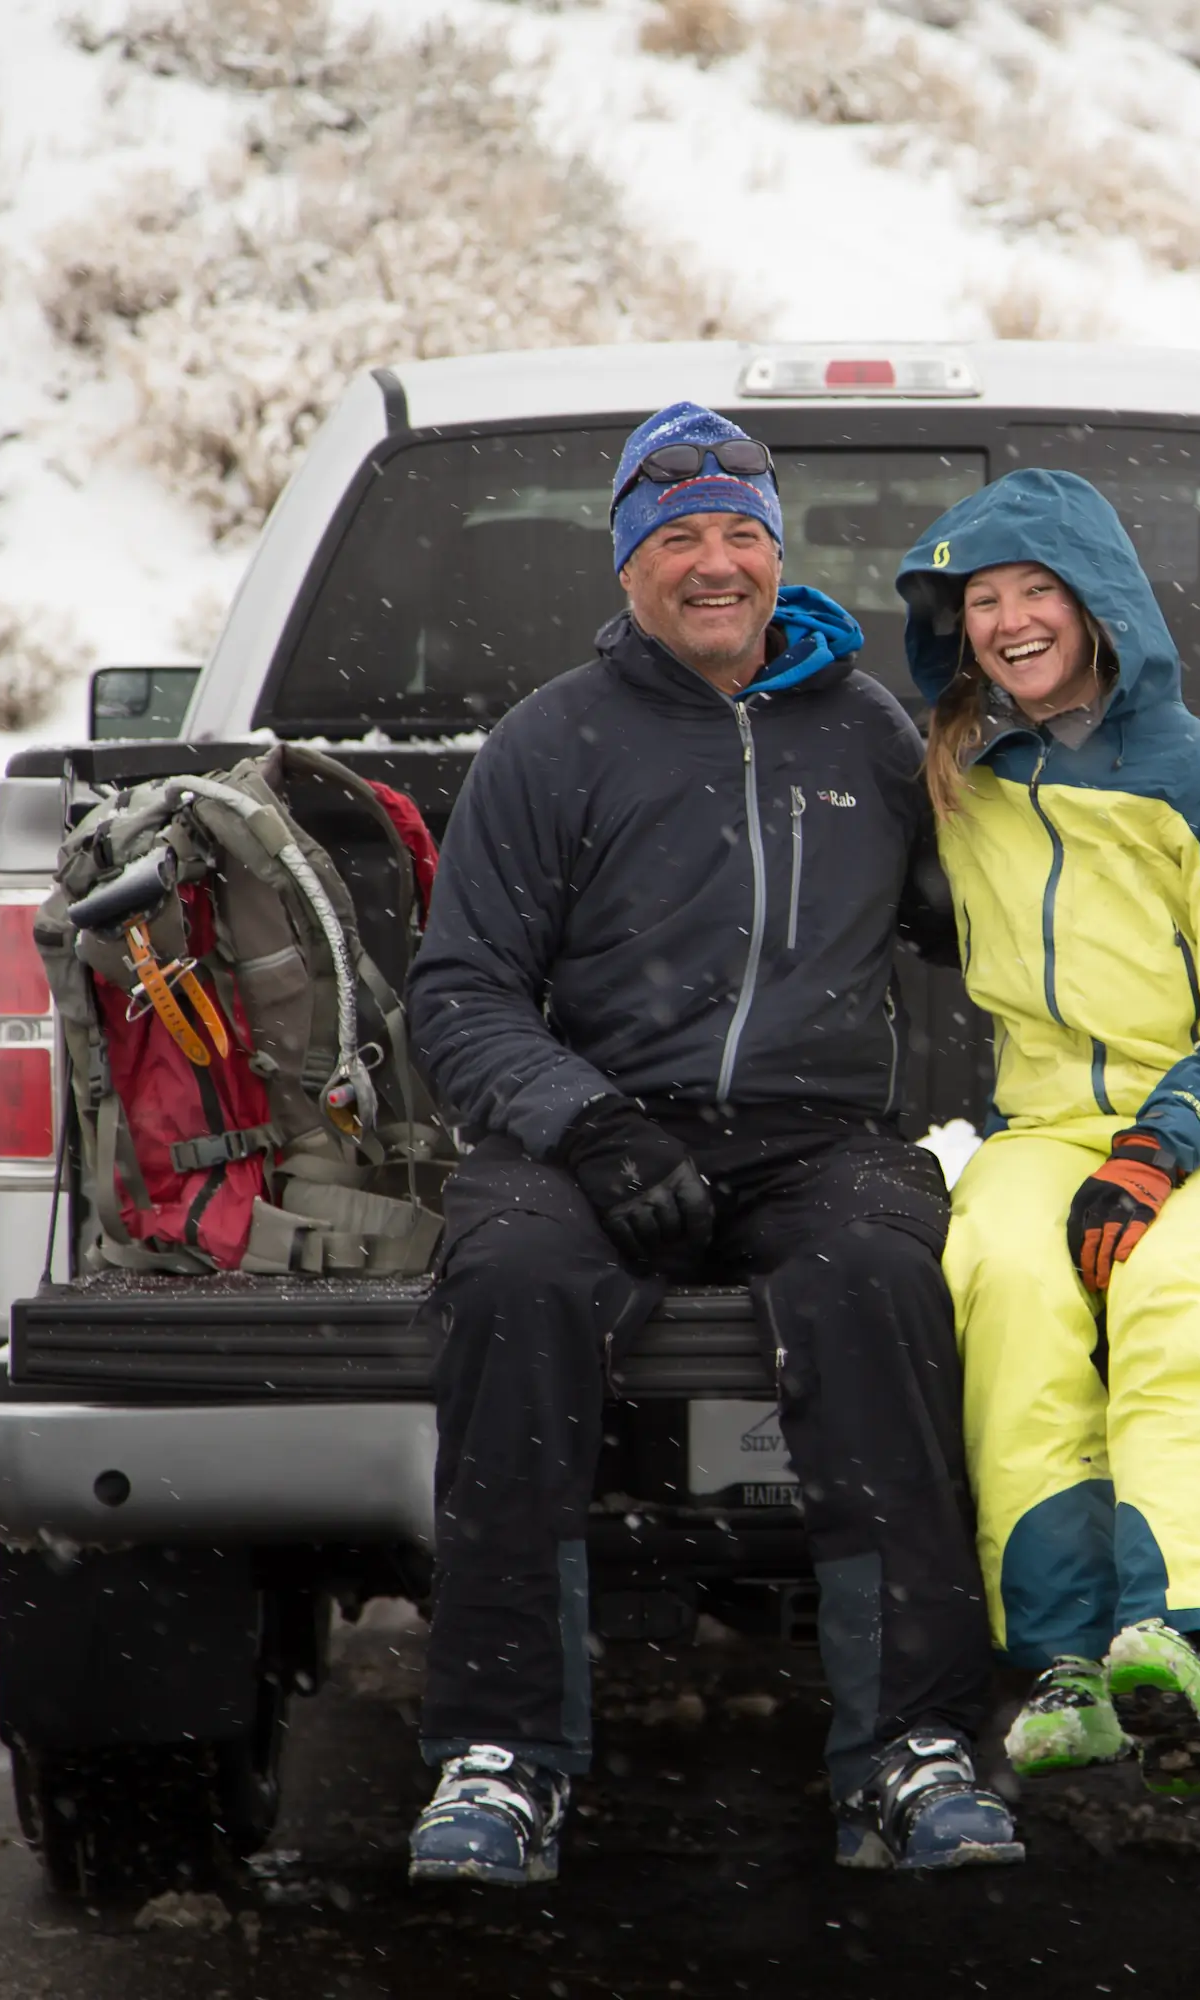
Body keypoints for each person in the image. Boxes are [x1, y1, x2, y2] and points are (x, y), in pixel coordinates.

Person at [400, 402, 1021, 1882]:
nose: (715, 563)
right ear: (627, 566)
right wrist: (589, 1123)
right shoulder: (555, 741)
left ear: (778, 553)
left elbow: (1014, 911)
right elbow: (462, 991)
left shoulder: (871, 729)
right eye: (677, 537)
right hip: (593, 1130)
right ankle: (501, 1761)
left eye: (741, 532)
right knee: (511, 1290)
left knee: (883, 1281)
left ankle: (911, 1752)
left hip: (817, 1142)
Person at [893, 470, 1200, 1797]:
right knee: (1009, 1282)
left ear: (1099, 607)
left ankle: (1192, 1636)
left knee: (1169, 1286)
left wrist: (1156, 1152)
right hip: (1043, 1129)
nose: (1009, 621)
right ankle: (1069, 1661)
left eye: (1036, 592)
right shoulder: (970, 786)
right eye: (981, 600)